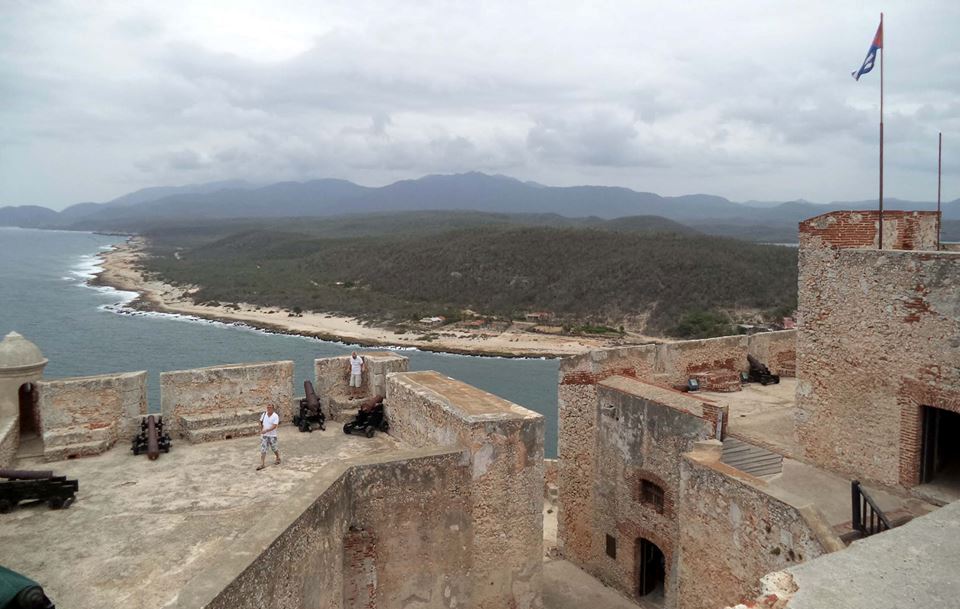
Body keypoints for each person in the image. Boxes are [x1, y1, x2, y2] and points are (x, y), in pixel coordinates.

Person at [256, 403, 281, 471]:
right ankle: (262, 464)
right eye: (268, 407)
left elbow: (274, 426)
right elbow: (260, 421)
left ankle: (278, 457)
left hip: (272, 435)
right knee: (263, 449)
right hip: (264, 436)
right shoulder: (264, 414)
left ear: (273, 408)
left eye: (270, 407)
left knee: (274, 448)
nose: (269, 409)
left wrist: (266, 430)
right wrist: (261, 429)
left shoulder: (275, 416)